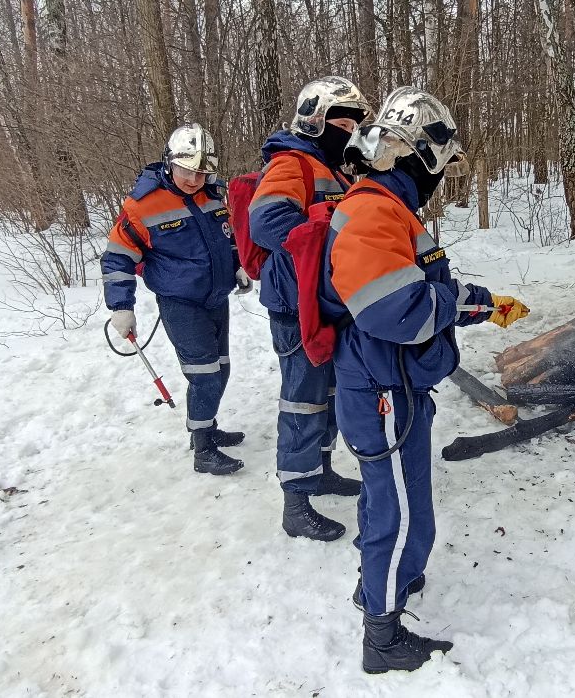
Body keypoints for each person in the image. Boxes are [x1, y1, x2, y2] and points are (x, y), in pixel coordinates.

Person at [322, 87, 530, 673]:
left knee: (400, 503)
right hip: (382, 389)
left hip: (394, 383)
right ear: (416, 156)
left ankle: (385, 584)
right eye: (438, 164)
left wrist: (485, 303)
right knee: (399, 510)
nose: (440, 178)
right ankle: (381, 636)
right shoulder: (372, 209)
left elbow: (421, 285)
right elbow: (399, 311)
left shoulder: (389, 209)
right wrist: (446, 304)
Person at [249, 76, 372, 541]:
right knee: (302, 398)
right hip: (294, 304)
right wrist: (327, 230)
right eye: (343, 121)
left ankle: (319, 469)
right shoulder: (292, 163)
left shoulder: (334, 169)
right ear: (316, 121)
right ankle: (295, 502)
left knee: (331, 393)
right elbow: (267, 222)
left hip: (326, 301)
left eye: (356, 122)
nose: (351, 129)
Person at [101, 123, 249, 476]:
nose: (194, 178)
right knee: (206, 375)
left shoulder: (213, 196)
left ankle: (206, 425)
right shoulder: (143, 205)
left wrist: (239, 264)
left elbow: (227, 238)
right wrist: (121, 306)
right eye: (187, 170)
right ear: (170, 162)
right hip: (180, 303)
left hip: (217, 298)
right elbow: (117, 257)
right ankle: (203, 449)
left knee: (221, 369)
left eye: (202, 171)